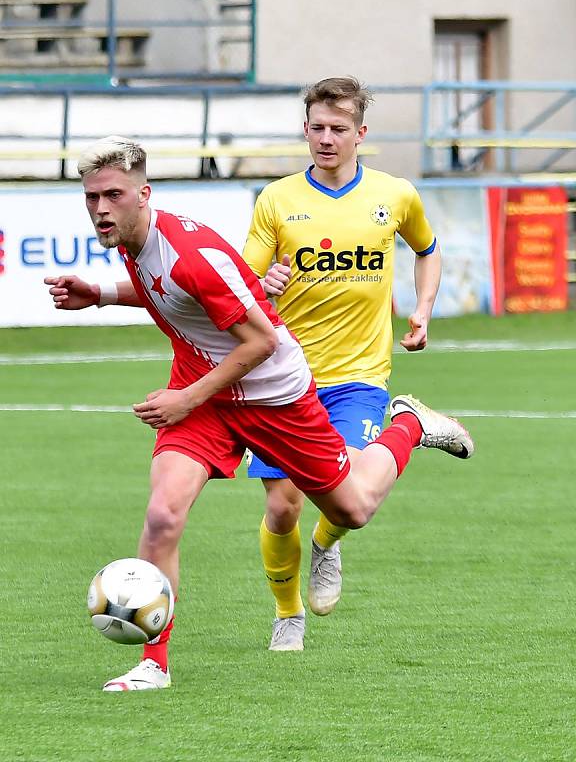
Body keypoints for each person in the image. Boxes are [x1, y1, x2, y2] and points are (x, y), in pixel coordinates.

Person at [44, 135, 473, 692]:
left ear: (143, 194)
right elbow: (162, 291)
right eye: (92, 197)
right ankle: (155, 663)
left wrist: (187, 398)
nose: (101, 209)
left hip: (273, 395)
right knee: (163, 516)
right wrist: (99, 291)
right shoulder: (134, 240)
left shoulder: (190, 252)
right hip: (206, 393)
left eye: (113, 196)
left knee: (353, 508)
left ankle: (409, 423)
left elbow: (262, 341)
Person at [244, 76, 442, 651]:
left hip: (359, 375)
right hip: (282, 376)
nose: (326, 138)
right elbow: (240, 285)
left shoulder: (395, 195)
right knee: (282, 508)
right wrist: (266, 282)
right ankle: (287, 615)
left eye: (338, 129)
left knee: (350, 504)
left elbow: (427, 250)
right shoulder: (277, 200)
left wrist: (423, 311)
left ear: (361, 133)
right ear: (304, 129)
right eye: (317, 128)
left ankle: (327, 546)